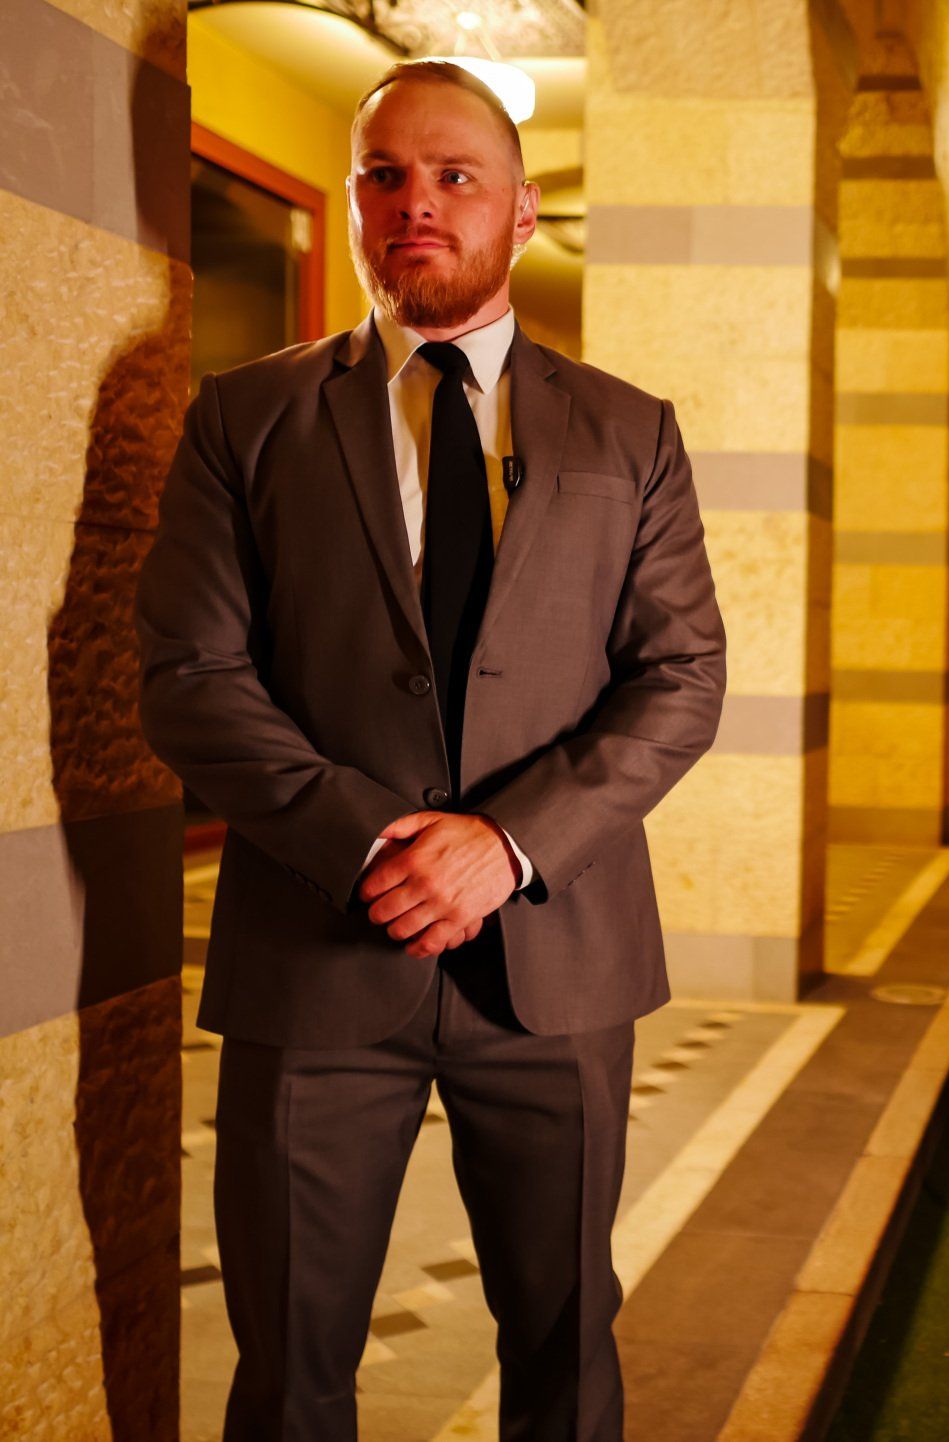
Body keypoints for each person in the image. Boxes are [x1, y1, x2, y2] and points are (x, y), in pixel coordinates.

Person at [136, 61, 726, 1438]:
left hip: (561, 966)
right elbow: (188, 675)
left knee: (567, 1350)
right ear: (351, 206)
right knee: (289, 1366)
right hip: (314, 955)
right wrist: (374, 843)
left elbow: (683, 676)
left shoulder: (628, 432)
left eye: (457, 175)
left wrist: (507, 847)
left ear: (523, 213)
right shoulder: (246, 417)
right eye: (385, 175)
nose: (418, 204)